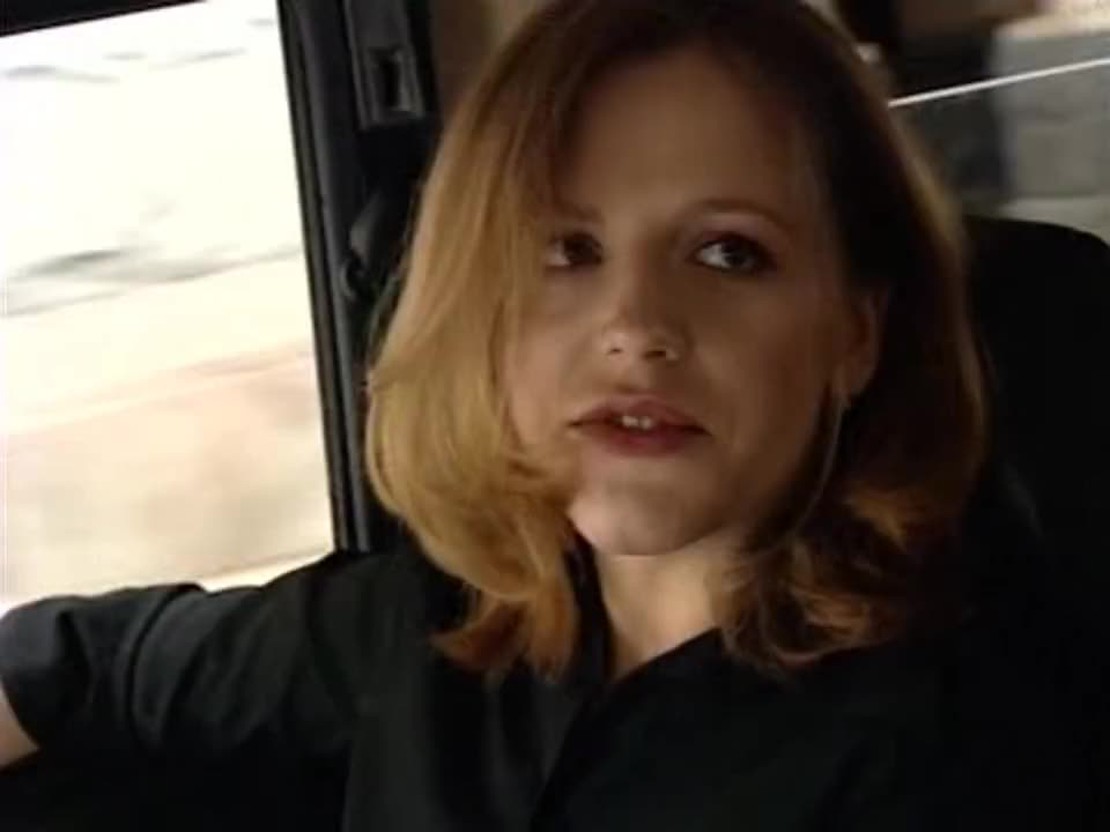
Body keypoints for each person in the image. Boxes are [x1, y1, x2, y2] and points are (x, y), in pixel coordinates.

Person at [0, 0, 1103, 829]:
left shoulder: (955, 754)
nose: (635, 326)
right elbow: (88, 666)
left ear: (853, 336)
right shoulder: (421, 630)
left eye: (730, 253)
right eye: (565, 251)